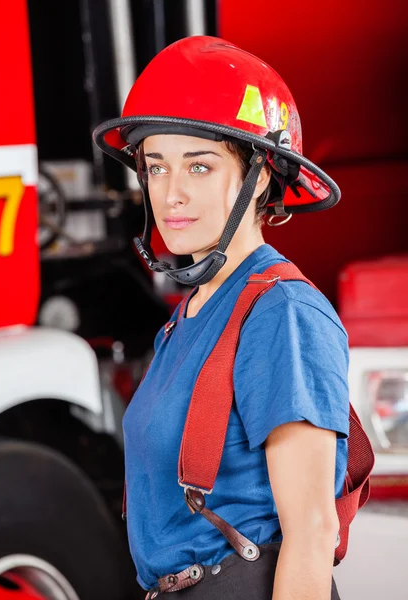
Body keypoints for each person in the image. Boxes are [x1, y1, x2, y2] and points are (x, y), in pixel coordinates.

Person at [93, 36, 348, 599]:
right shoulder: (191, 312)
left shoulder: (281, 313)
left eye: (200, 166)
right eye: (156, 168)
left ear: (259, 178)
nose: (171, 194)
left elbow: (311, 534)